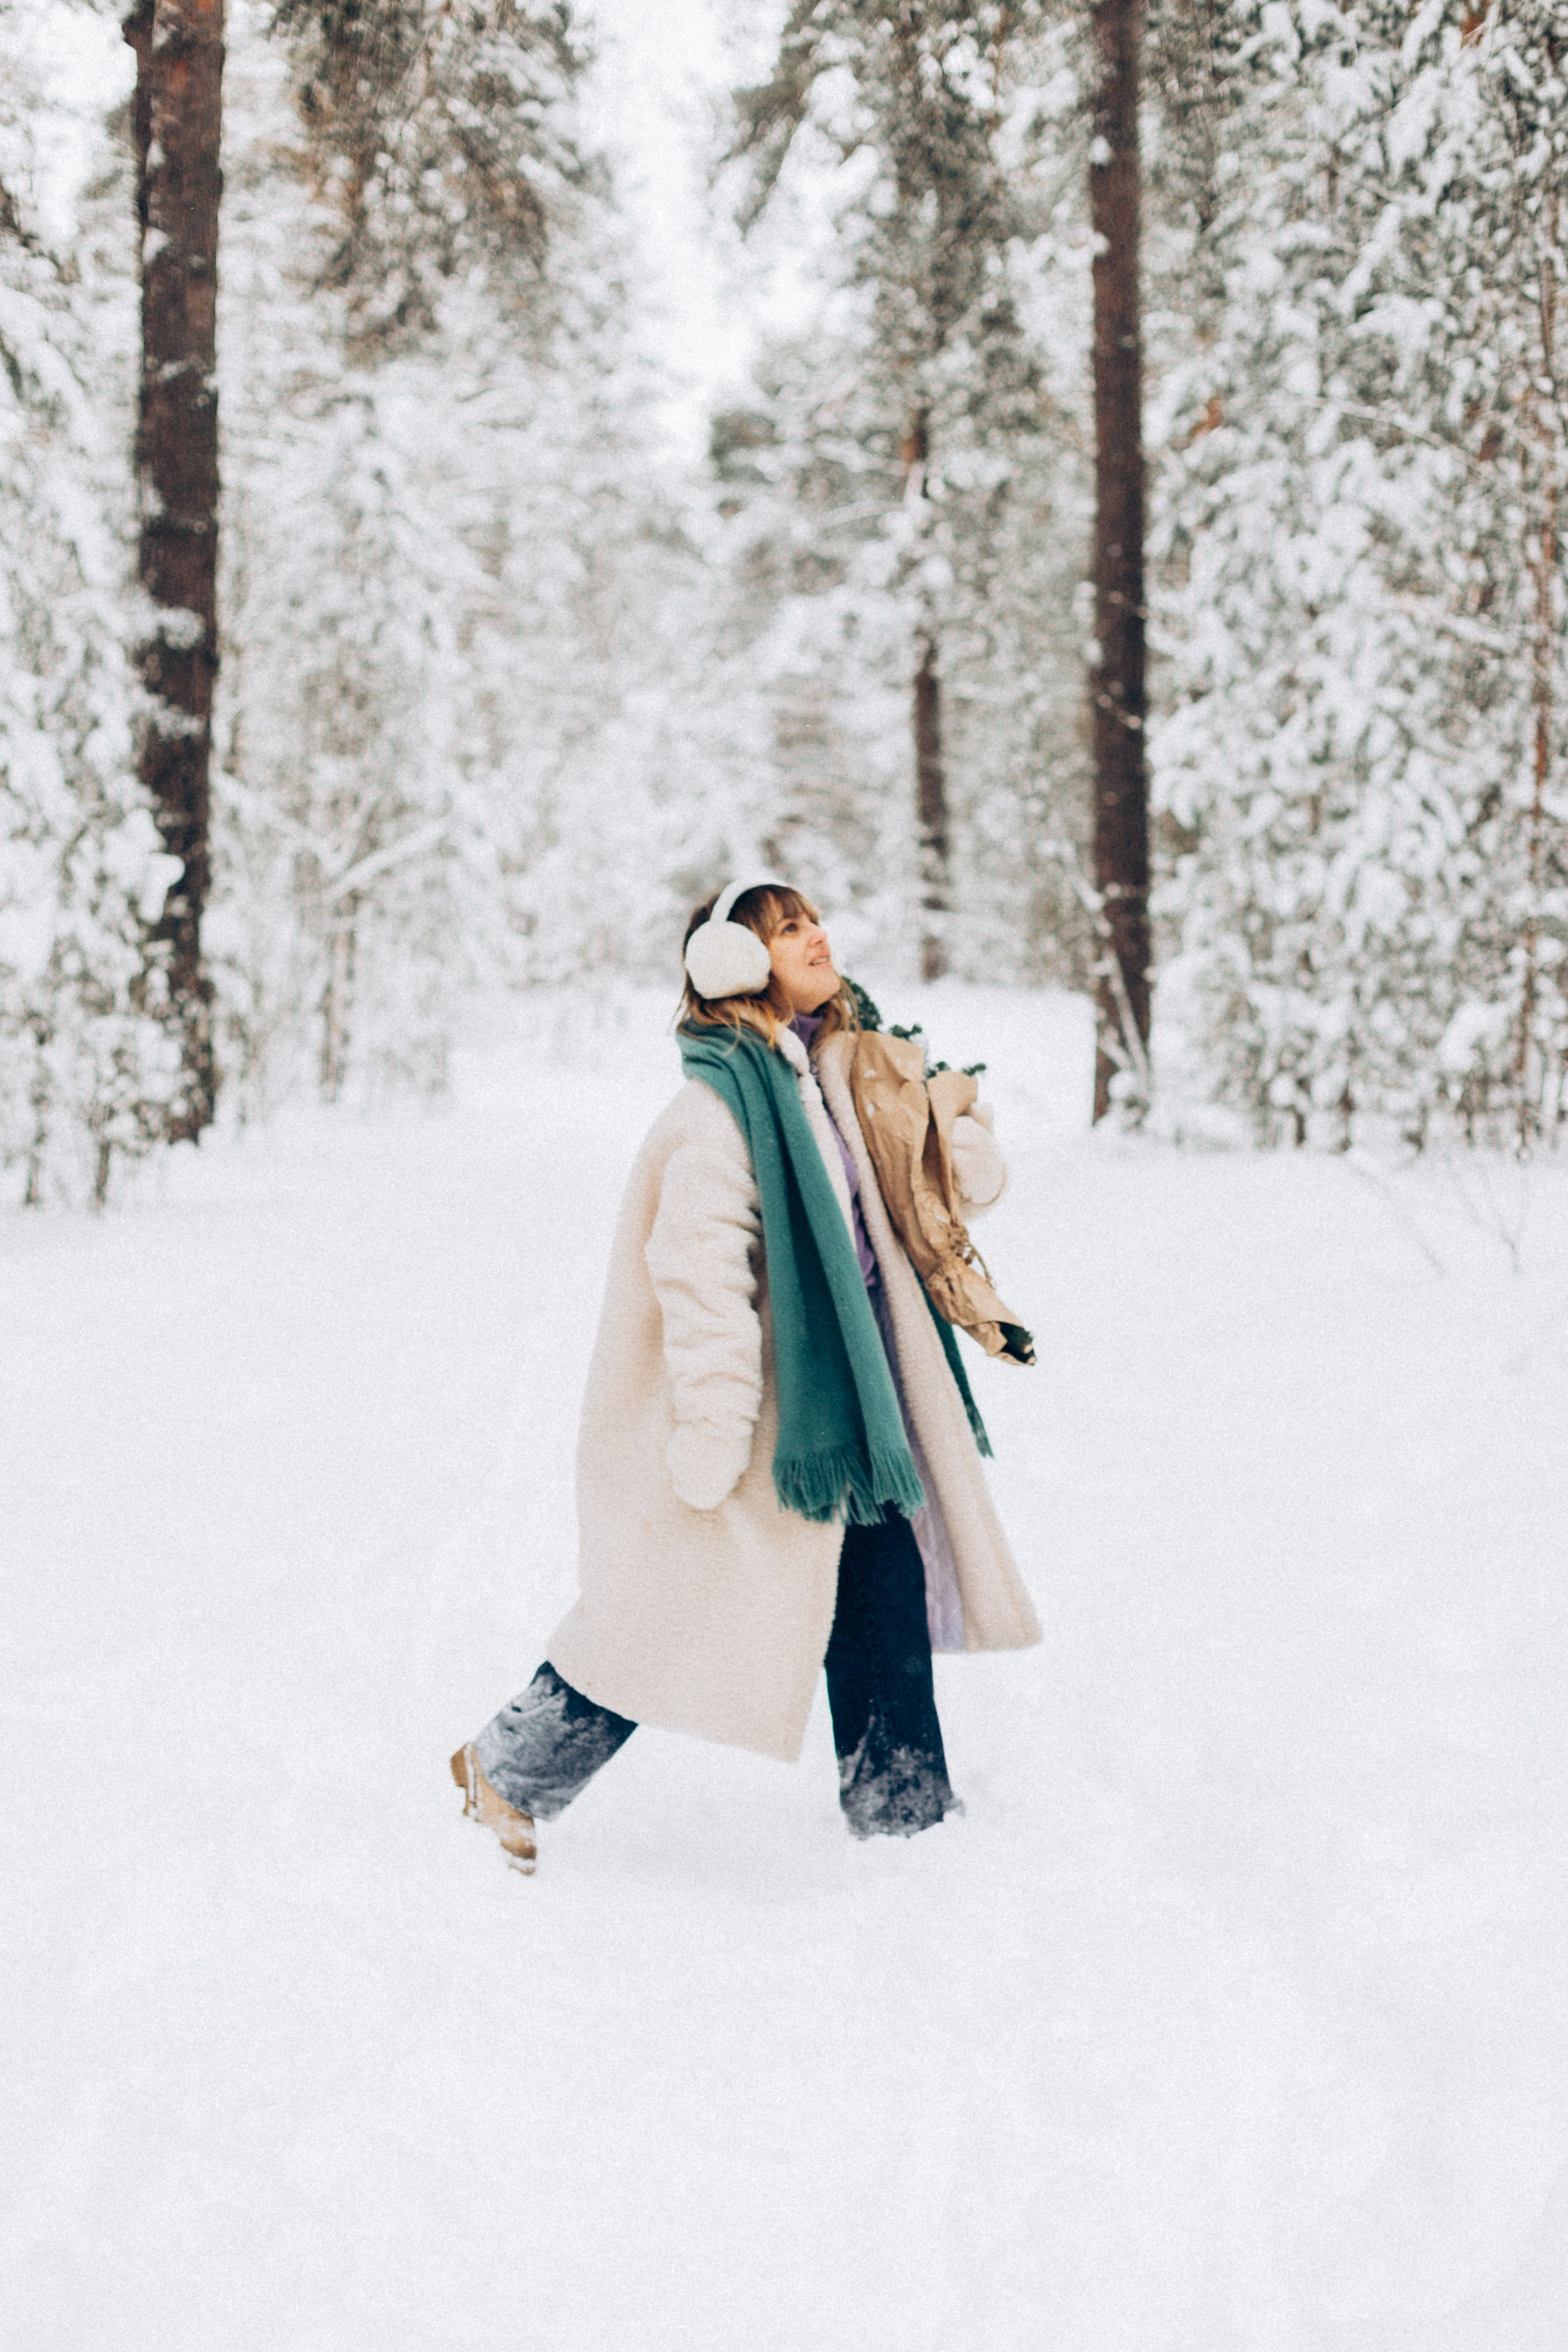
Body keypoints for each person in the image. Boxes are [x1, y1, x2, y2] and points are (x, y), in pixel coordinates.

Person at [451, 881, 1041, 1872]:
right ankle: (507, 1770)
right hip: (768, 1421)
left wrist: (952, 1124)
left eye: (813, 919)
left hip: (852, 1405)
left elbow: (954, 1193)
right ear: (731, 965)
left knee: (880, 1579)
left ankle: (905, 1815)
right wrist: (714, 1431)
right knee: (667, 1608)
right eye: (783, 929)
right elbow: (702, 1284)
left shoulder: (848, 1077)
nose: (816, 936)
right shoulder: (717, 1113)